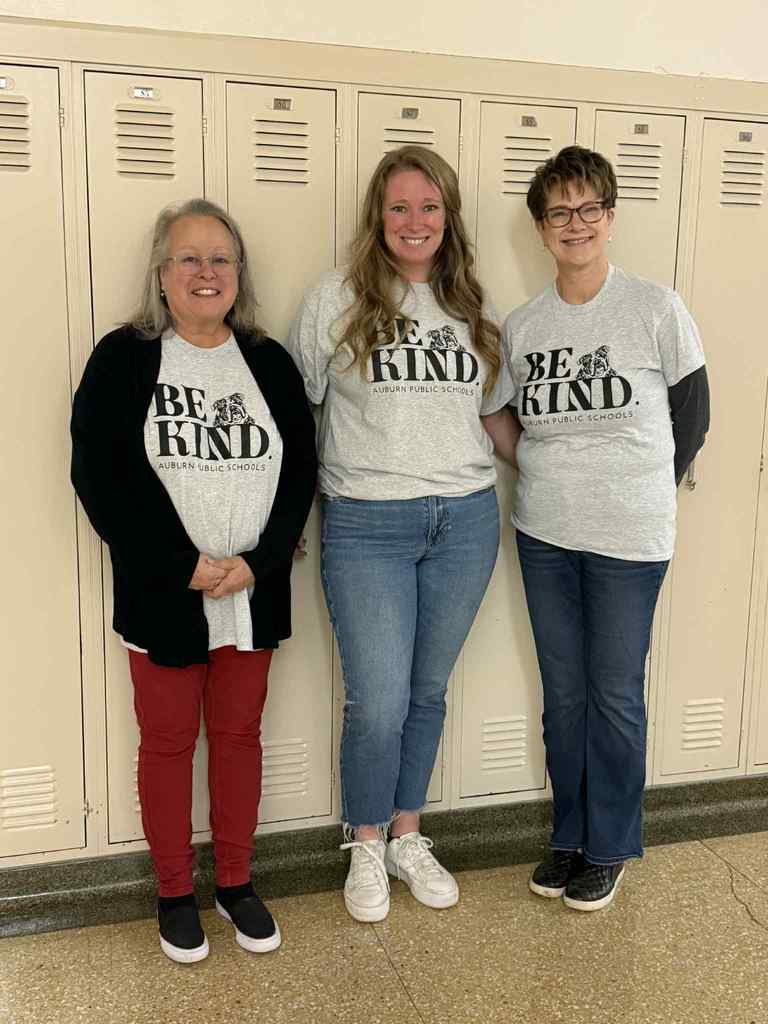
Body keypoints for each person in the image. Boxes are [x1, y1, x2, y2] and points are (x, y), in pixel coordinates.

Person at [71, 198, 317, 962]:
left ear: (238, 274)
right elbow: (99, 475)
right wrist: (182, 565)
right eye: (189, 258)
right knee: (169, 742)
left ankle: (236, 882)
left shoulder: (269, 362)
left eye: (220, 259)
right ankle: (175, 890)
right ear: (162, 273)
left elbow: (302, 472)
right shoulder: (125, 355)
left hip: (252, 591)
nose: (206, 272)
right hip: (163, 596)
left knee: (241, 737)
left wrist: (258, 560)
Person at [287, 145, 516, 922]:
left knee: (425, 692)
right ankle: (365, 843)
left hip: (466, 520)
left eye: (428, 207)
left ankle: (408, 835)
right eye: (398, 207)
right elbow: (297, 413)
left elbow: (493, 416)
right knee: (377, 701)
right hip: (367, 523)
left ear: (448, 216)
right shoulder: (336, 299)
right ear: (376, 218)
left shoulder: (471, 306)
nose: (414, 222)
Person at [499, 146, 709, 911]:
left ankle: (611, 844)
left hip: (630, 538)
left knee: (614, 691)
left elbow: (693, 410)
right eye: (559, 212)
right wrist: (547, 470)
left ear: (611, 218)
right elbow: (502, 412)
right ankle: (570, 835)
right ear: (541, 228)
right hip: (545, 533)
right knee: (564, 695)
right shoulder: (524, 325)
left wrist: (641, 481)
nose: (575, 223)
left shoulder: (655, 307)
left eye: (589, 209)